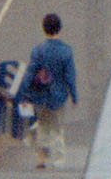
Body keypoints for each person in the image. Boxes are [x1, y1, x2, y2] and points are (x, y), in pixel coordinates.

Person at [20, 13, 78, 170]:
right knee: (57, 128)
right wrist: (74, 96)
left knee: (43, 126)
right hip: (58, 96)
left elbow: (30, 73)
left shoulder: (38, 50)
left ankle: (41, 158)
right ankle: (57, 160)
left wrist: (24, 94)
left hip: (40, 96)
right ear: (60, 29)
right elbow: (70, 76)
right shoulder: (66, 51)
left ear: (44, 29)